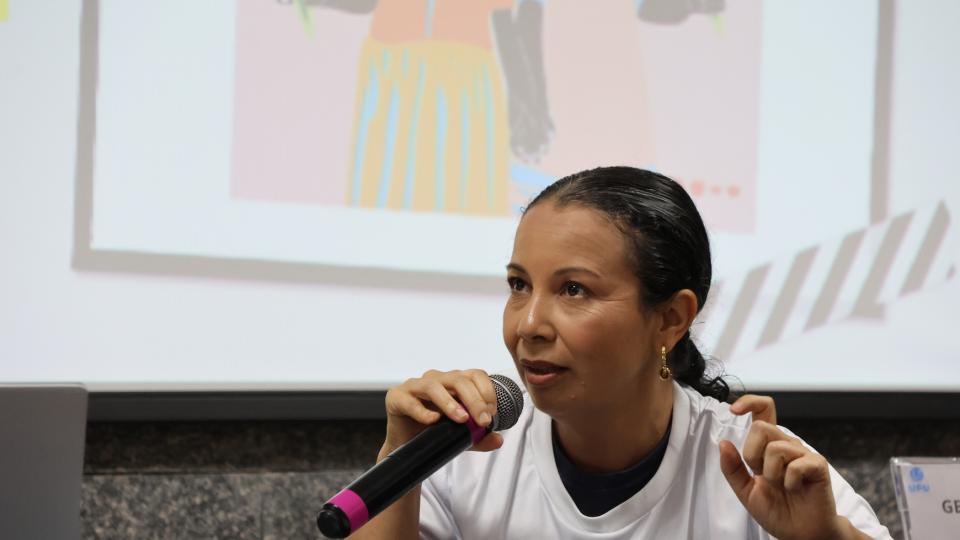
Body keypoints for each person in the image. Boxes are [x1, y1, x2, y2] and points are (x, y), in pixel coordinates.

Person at [352, 167, 891, 539]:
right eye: (519, 285)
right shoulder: (465, 454)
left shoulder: (753, 465)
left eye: (573, 290)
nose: (530, 324)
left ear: (670, 318)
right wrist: (398, 461)